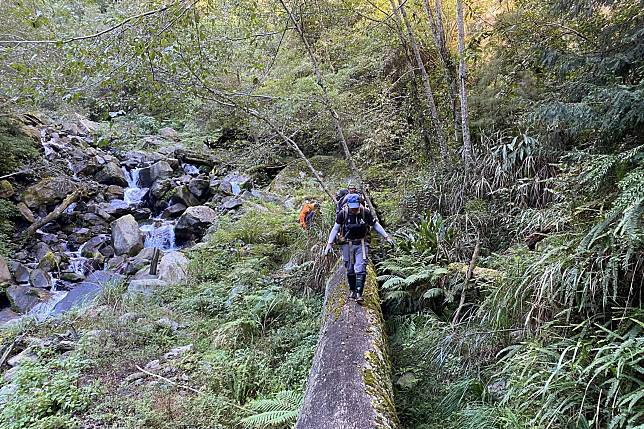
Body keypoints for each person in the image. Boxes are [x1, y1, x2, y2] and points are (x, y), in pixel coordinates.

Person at [323, 193, 394, 303]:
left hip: (361, 243)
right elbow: (335, 228)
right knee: (350, 269)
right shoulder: (343, 213)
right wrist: (329, 244)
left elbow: (375, 225)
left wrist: (386, 236)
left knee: (360, 268)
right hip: (347, 243)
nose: (354, 210)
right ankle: (352, 290)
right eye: (352, 207)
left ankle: (358, 293)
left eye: (356, 207)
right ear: (348, 205)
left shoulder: (365, 213)